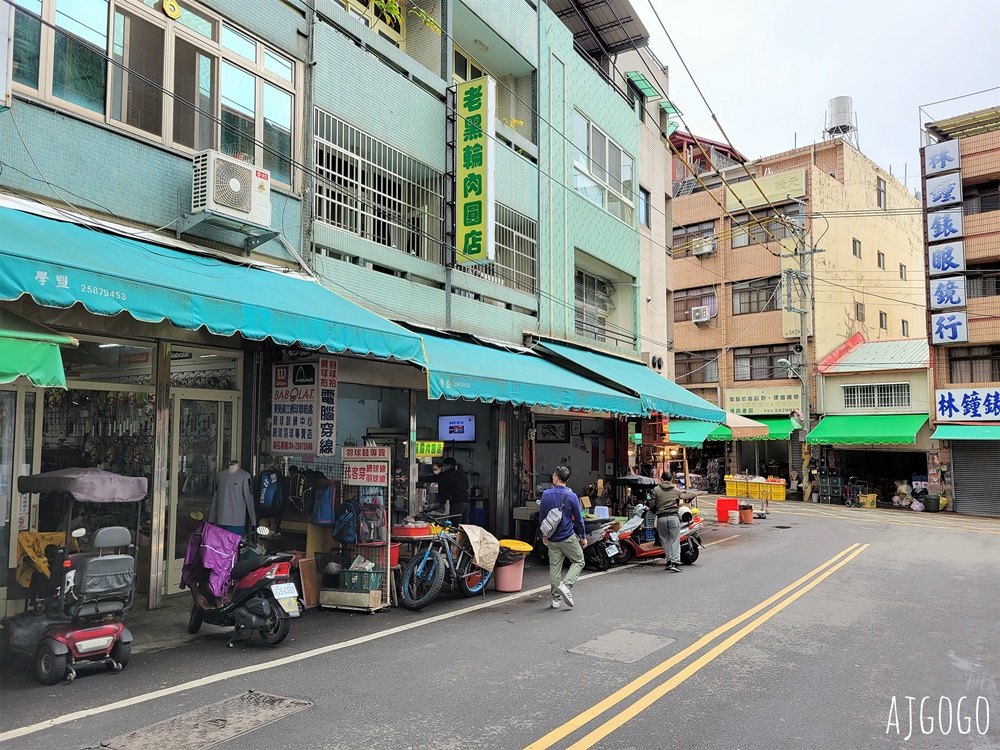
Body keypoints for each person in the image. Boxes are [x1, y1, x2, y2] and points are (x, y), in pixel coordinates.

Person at [539, 465, 587, 609]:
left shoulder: (546, 494)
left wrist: (544, 534)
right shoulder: (571, 496)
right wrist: (583, 536)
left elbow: (542, 517)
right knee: (579, 561)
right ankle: (566, 585)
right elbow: (579, 520)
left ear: (555, 477)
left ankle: (556, 599)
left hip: (552, 538)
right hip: (567, 537)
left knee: (554, 568)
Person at [209, 460, 255, 536]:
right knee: (221, 545)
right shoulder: (221, 475)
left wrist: (253, 520)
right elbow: (216, 497)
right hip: (221, 520)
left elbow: (249, 498)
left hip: (237, 521)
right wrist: (212, 518)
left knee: (236, 546)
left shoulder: (245, 476)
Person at [650, 470, 682, 572]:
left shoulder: (656, 490)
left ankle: (668, 561)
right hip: (673, 517)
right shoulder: (676, 490)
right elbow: (678, 502)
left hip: (661, 518)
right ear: (671, 479)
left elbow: (652, 505)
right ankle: (675, 563)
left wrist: (655, 511)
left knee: (664, 540)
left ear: (661, 479)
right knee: (675, 540)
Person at [437, 457, 470, 524]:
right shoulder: (462, 473)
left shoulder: (446, 475)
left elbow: (435, 479)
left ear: (449, 465)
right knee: (464, 526)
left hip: (457, 503)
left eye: (444, 465)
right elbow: (467, 486)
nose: (443, 467)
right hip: (466, 502)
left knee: (455, 525)